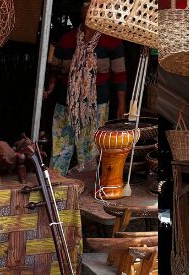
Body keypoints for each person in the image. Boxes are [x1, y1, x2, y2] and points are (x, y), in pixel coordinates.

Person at [45, 1, 127, 174]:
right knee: (61, 148)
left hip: (96, 106)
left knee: (90, 148)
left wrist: (121, 105)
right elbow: (55, 68)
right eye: (86, 5)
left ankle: (86, 186)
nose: (90, 9)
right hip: (65, 104)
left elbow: (119, 75)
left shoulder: (112, 40)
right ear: (81, 10)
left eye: (93, 5)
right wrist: (50, 86)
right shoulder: (67, 39)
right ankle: (57, 185)